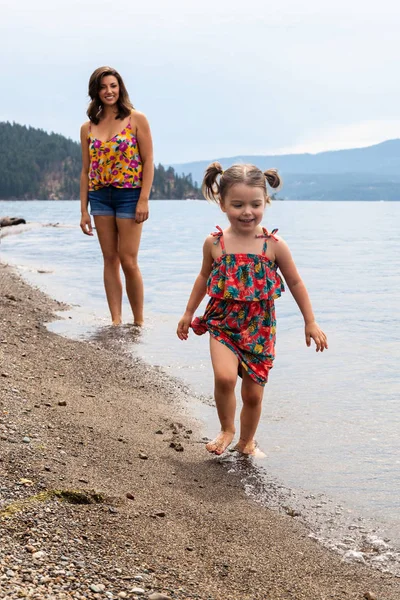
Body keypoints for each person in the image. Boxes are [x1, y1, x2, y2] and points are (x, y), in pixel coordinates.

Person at [177, 162, 328, 457]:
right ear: (222, 204)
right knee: (224, 378)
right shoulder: (215, 243)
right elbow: (203, 278)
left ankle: (247, 441)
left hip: (259, 329)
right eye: (237, 204)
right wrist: (187, 312)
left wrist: (310, 321)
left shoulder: (273, 245)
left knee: (253, 395)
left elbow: (295, 283)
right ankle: (226, 429)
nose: (247, 211)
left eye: (255, 204)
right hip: (222, 322)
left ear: (266, 202)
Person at [80, 66, 154, 326]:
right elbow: (85, 170)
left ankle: (139, 323)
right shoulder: (88, 126)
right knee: (109, 258)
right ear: (96, 92)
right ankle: (115, 320)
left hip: (129, 195)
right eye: (103, 87)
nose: (108, 91)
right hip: (99, 196)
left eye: (113, 85)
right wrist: (83, 211)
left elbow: (148, 160)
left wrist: (144, 199)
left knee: (128, 260)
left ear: (120, 88)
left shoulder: (136, 119)